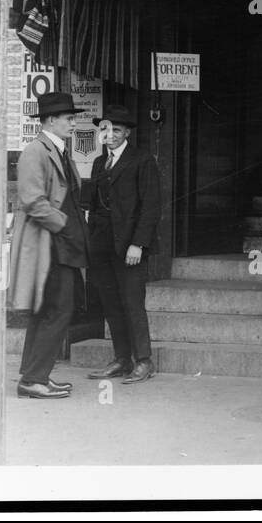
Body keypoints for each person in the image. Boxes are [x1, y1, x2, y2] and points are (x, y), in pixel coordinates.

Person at [8, 91, 88, 400]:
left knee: (48, 309)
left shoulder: (58, 150)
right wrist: (65, 224)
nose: (73, 123)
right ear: (51, 120)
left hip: (61, 244)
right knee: (58, 309)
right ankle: (34, 379)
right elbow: (32, 201)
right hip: (49, 243)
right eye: (69, 118)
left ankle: (34, 375)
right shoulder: (35, 151)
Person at [85, 104, 162, 384]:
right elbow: (93, 206)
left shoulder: (142, 160)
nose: (111, 135)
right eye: (106, 129)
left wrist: (138, 244)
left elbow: (151, 205)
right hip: (102, 245)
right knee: (111, 303)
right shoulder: (98, 163)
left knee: (132, 303)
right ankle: (121, 359)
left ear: (127, 132)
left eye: (117, 130)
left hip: (129, 246)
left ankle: (143, 361)